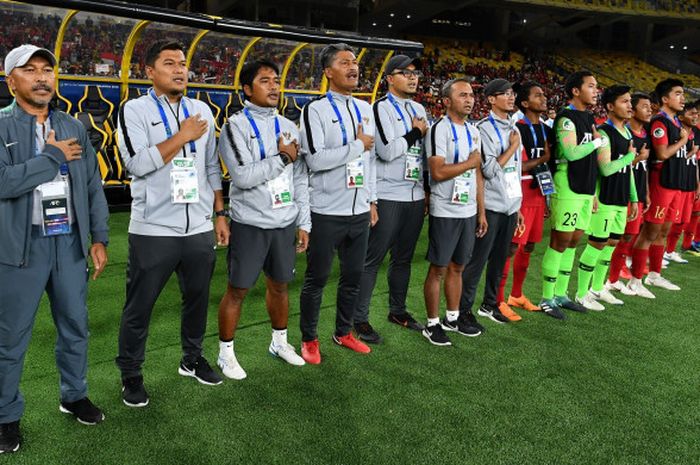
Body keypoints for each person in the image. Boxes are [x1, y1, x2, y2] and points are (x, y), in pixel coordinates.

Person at [0, 44, 109, 453]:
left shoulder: (72, 125)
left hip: (68, 242)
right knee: (10, 338)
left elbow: (91, 186)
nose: (42, 77)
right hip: (18, 247)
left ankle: (74, 394)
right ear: (11, 81)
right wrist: (50, 156)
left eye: (48, 70)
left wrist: (98, 236)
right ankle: (5, 416)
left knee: (75, 326)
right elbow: (3, 183)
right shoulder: (0, 125)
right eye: (30, 70)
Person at [116, 40, 228, 407]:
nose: (180, 70)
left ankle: (192, 359)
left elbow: (212, 165)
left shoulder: (201, 110)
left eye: (183, 63)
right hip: (153, 228)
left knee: (197, 299)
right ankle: (131, 375)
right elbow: (136, 164)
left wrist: (219, 212)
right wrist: (181, 136)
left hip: (198, 225)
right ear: (150, 72)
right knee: (140, 306)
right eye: (169, 64)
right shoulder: (133, 110)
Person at [217, 60, 309, 380]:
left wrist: (304, 221)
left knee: (281, 286)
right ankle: (225, 353)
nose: (274, 86)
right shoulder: (235, 127)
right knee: (238, 290)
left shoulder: (289, 126)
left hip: (284, 221)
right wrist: (282, 156)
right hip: (250, 222)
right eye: (265, 81)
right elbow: (241, 177)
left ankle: (279, 343)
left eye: (276, 80)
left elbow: (300, 179)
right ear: (246, 89)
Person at [298, 43, 377, 364]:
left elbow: (369, 162)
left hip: (359, 212)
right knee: (317, 278)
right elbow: (315, 160)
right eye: (345, 62)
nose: (353, 67)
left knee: (353, 276)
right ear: (328, 72)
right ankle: (309, 338)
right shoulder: (314, 110)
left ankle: (343, 332)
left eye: (355, 62)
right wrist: (357, 144)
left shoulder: (365, 109)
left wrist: (371, 201)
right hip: (326, 211)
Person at [353, 55, 429, 344]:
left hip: (414, 193)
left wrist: (426, 191)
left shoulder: (419, 107)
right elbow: (386, 151)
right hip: (387, 194)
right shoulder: (379, 109)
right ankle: (359, 318)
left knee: (404, 258)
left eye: (415, 73)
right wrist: (415, 132)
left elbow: (421, 154)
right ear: (389, 78)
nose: (413, 77)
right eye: (405, 73)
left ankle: (398, 310)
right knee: (372, 259)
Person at [422, 78, 484, 346]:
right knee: (438, 269)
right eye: (462, 95)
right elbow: (437, 172)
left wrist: (481, 212)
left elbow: (478, 174)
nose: (469, 99)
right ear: (447, 101)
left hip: (468, 210)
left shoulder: (474, 131)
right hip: (445, 209)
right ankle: (432, 323)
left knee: (458, 267)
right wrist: (470, 163)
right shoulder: (439, 130)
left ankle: (452, 317)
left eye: (470, 95)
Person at [460, 79, 523, 325]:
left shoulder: (513, 128)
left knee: (500, 260)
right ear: (490, 99)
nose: (510, 97)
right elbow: (487, 169)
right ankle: (463, 310)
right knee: (477, 262)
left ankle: (489, 304)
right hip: (491, 205)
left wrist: (517, 205)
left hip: (509, 205)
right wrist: (512, 148)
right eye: (504, 93)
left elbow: (515, 171)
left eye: (512, 92)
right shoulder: (483, 128)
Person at [539, 71, 602, 316]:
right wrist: (597, 142)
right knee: (560, 241)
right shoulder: (566, 118)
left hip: (585, 188)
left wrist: (594, 192)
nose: (596, 90)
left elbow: (591, 161)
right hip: (567, 184)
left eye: (596, 87)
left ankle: (561, 294)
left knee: (574, 241)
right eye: (591, 86)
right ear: (576, 90)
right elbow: (573, 153)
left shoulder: (589, 117)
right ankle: (547, 297)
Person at [574, 85, 638, 310]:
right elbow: (606, 169)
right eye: (624, 101)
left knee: (611, 244)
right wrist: (630, 156)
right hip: (605, 199)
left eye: (630, 101)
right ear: (610, 106)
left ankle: (598, 287)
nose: (630, 106)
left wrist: (634, 197)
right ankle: (581, 294)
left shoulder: (627, 132)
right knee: (597, 244)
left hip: (621, 199)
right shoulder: (603, 132)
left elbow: (627, 169)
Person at [626, 79, 688, 297]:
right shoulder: (660, 122)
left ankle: (654, 274)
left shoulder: (676, 122)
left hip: (675, 184)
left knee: (664, 231)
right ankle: (635, 280)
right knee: (650, 231)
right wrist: (683, 141)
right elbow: (661, 154)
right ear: (664, 99)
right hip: (661, 183)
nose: (683, 98)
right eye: (678, 93)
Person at [497, 82, 553, 318]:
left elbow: (550, 164)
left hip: (540, 193)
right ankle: (498, 300)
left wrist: (548, 196)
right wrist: (543, 160)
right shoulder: (516, 129)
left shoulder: (547, 130)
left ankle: (517, 295)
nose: (544, 98)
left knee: (529, 245)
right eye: (537, 95)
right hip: (521, 192)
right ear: (524, 103)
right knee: (511, 246)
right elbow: (514, 166)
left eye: (544, 94)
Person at [607, 93, 652, 291]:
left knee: (628, 236)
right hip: (619, 191)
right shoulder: (623, 134)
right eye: (644, 106)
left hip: (638, 192)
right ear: (632, 110)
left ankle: (615, 278)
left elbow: (645, 166)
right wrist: (636, 158)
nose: (649, 110)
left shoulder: (645, 135)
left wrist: (646, 193)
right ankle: (607, 279)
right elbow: (614, 165)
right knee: (613, 237)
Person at [664, 102, 698, 261]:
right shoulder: (677, 133)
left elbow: (694, 162)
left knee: (682, 222)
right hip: (676, 183)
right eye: (692, 114)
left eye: (696, 114)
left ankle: (670, 251)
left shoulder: (694, 134)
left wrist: (697, 184)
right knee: (669, 222)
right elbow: (673, 158)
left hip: (690, 183)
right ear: (681, 116)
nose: (695, 116)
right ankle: (662, 252)